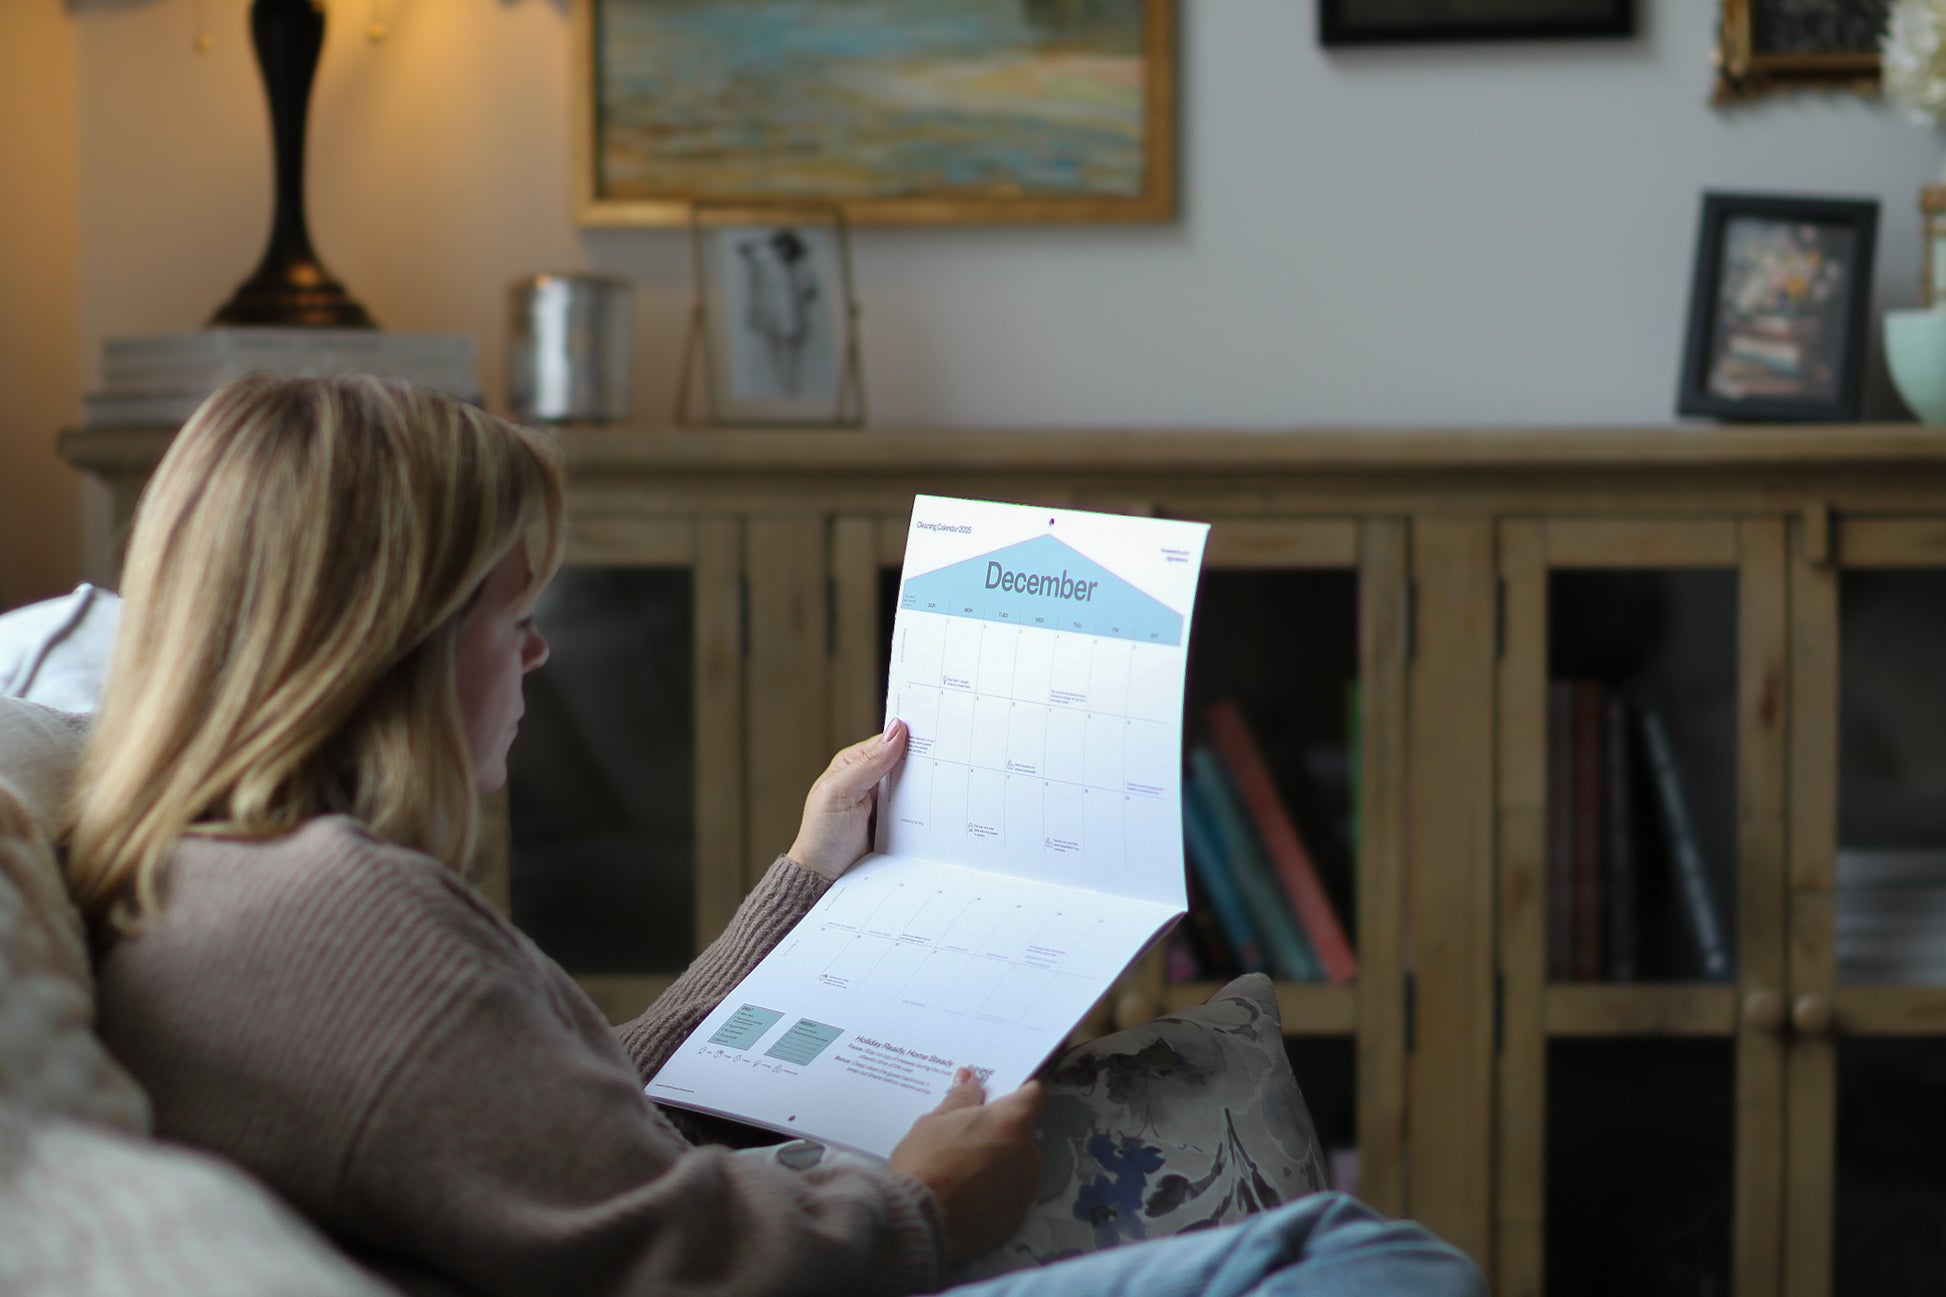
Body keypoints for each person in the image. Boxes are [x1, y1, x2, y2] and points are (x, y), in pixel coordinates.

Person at [68, 374, 1485, 1297]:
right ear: (398, 649)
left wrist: (806, 880)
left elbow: (565, 1116)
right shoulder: (343, 915)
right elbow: (662, 1251)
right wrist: (922, 1204)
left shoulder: (205, 879)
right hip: (844, 1260)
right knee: (1358, 1256)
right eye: (512, 618)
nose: (539, 653)